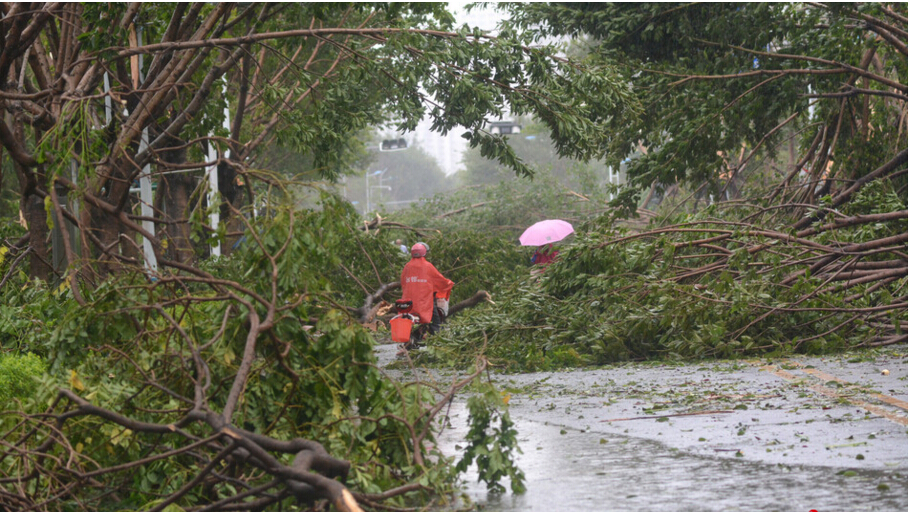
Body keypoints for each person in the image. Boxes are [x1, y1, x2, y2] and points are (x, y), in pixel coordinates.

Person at [400, 242, 453, 342]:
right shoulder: (428, 266)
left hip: (408, 303)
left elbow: (403, 282)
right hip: (425, 302)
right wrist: (448, 283)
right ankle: (438, 340)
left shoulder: (407, 266)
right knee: (436, 322)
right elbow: (438, 279)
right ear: (424, 253)